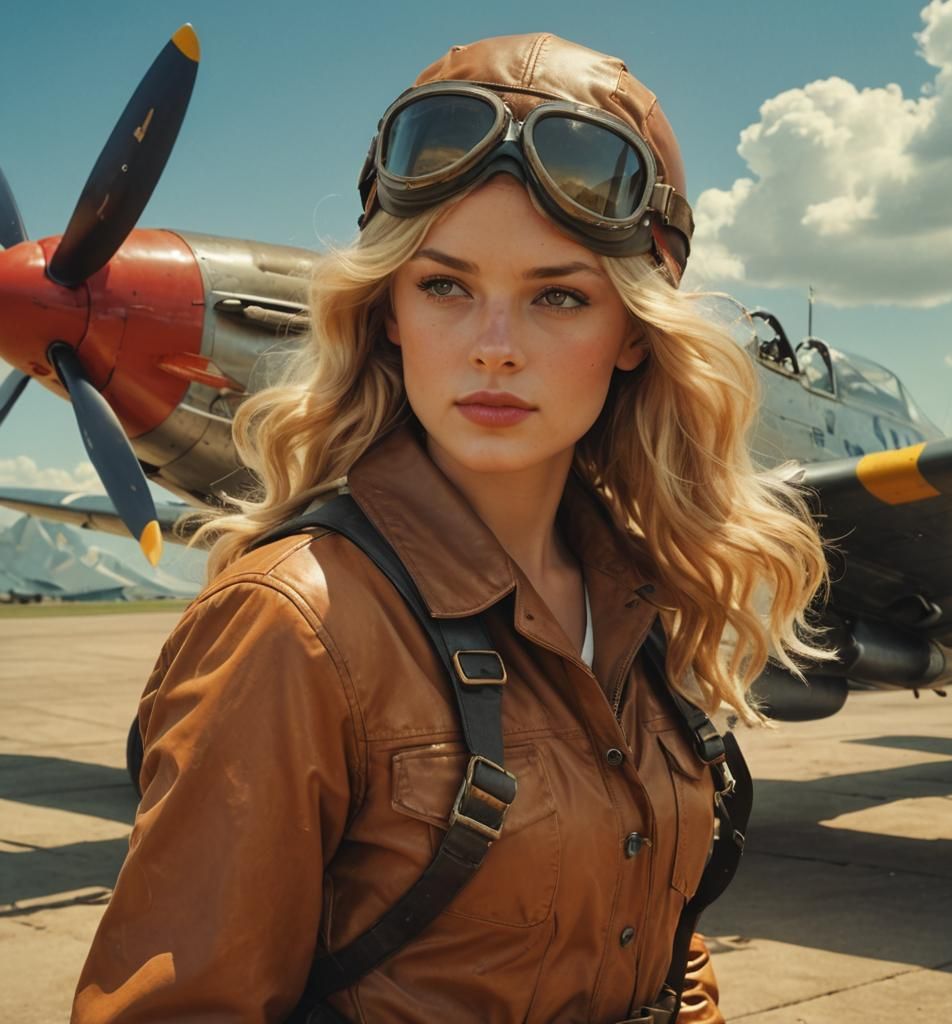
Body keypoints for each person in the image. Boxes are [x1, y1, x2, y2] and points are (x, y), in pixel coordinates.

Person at [71, 32, 829, 1024]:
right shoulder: (293, 624)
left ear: (635, 333)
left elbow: (658, 942)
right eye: (444, 287)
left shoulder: (643, 599)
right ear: (387, 312)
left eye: (559, 295)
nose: (494, 349)